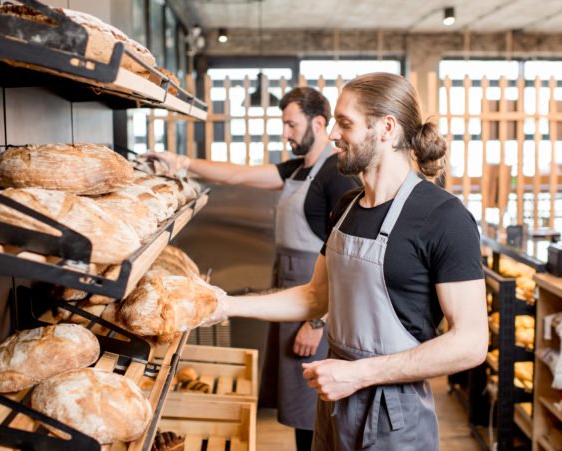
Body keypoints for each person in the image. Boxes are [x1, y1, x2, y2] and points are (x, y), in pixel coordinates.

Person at [202, 73, 489, 450]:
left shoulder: (444, 217)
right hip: (336, 399)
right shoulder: (347, 206)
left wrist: (360, 374)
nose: (333, 134)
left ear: (386, 127)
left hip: (393, 414)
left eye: (345, 123)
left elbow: (471, 342)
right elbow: (315, 297)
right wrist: (224, 304)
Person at [145, 87, 360, 450]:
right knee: (298, 403)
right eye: (284, 124)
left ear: (319, 123)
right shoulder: (298, 170)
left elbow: (347, 261)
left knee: (316, 404)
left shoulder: (335, 176)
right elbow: (239, 175)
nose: (286, 133)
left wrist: (317, 322)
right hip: (290, 295)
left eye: (292, 125)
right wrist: (181, 162)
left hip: (316, 304)